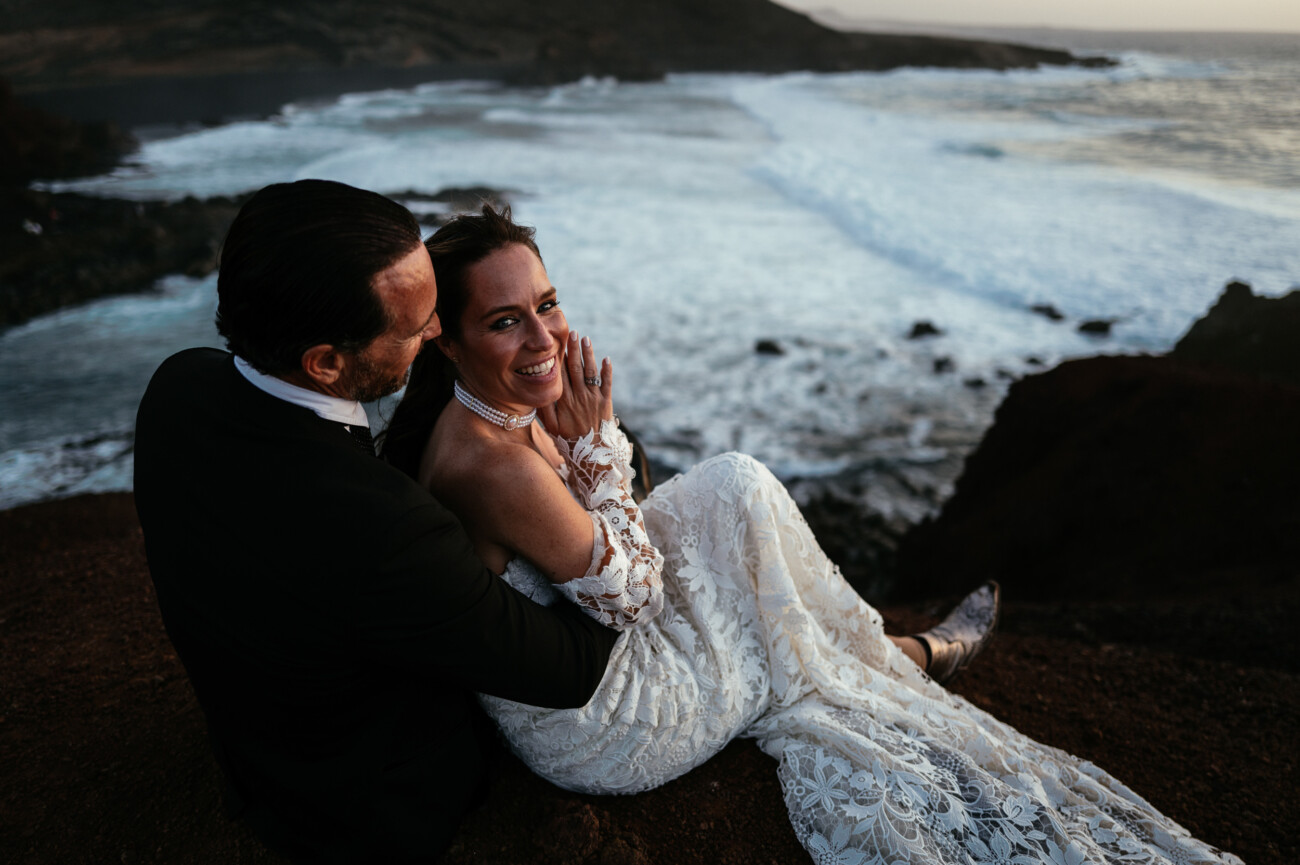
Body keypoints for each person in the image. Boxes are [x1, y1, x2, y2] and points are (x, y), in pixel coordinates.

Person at [382, 204, 1244, 865]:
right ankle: (903, 654)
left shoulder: (488, 411)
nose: (544, 337)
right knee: (756, 578)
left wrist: (583, 446)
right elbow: (632, 592)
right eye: (505, 321)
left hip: (586, 640)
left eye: (548, 303)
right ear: (444, 340)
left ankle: (888, 646)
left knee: (734, 485)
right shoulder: (490, 464)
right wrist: (597, 440)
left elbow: (607, 546)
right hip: (607, 722)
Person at [133, 180, 621, 864]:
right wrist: (598, 476)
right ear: (327, 362)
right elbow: (571, 668)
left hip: (257, 747)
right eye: (417, 325)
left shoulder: (179, 388)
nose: (437, 330)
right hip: (369, 806)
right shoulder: (382, 525)